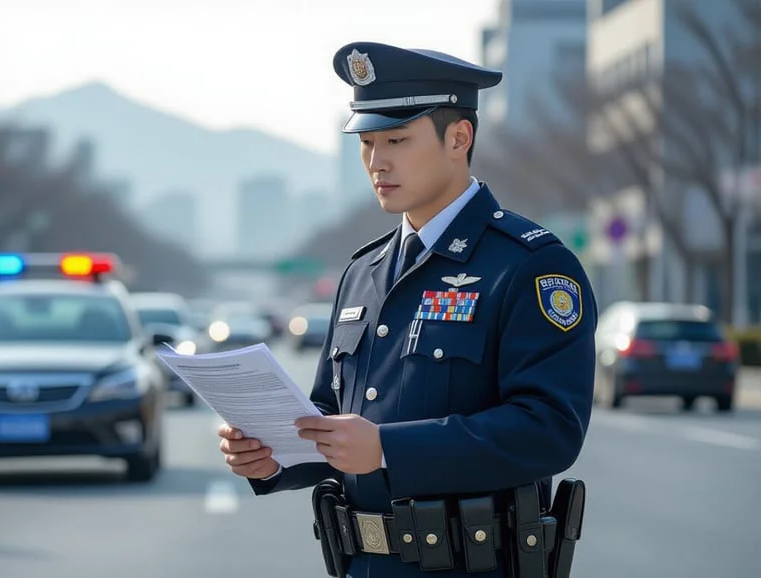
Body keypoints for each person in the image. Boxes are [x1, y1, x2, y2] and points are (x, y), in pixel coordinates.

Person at [218, 41, 597, 578]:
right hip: (361, 564)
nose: (377, 161)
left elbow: (549, 429)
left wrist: (388, 448)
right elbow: (333, 413)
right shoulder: (363, 272)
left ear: (459, 138)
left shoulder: (528, 265)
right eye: (367, 142)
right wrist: (274, 455)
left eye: (396, 139)